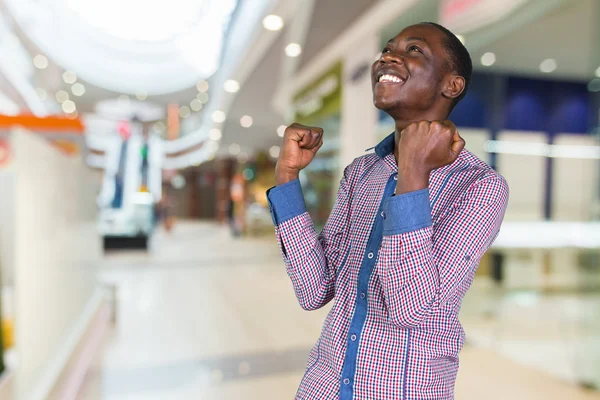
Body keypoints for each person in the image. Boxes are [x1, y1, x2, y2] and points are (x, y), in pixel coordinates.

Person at [266, 22, 509, 399]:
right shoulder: (361, 172)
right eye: (388, 48)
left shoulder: (480, 187)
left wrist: (413, 173)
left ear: (452, 85)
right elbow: (314, 290)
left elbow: (411, 307)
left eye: (415, 50)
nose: (388, 57)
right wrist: (286, 177)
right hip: (324, 387)